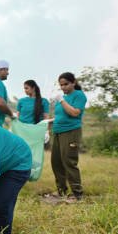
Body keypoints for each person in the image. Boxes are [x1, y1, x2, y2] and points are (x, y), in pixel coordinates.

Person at [47, 72, 87, 202]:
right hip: (58, 132)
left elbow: (75, 113)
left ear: (73, 82)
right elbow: (60, 116)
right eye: (61, 85)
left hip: (71, 132)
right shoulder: (62, 98)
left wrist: (62, 100)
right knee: (56, 161)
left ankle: (77, 194)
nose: (63, 87)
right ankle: (61, 190)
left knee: (69, 161)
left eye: (66, 84)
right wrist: (47, 126)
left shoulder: (79, 95)